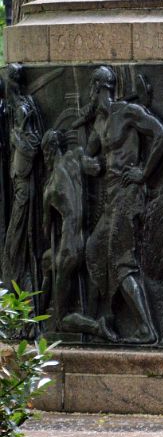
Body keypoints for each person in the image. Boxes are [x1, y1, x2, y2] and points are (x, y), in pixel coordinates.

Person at [77, 65, 163, 344]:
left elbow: (162, 135)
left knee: (120, 259)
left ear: (98, 88)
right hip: (111, 195)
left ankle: (146, 327)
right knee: (94, 248)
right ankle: (104, 316)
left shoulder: (126, 112)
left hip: (130, 194)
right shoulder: (100, 123)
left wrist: (143, 172)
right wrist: (88, 163)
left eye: (91, 89)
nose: (89, 94)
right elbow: (88, 153)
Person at [2, 63, 42, 294]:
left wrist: (16, 139)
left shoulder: (23, 110)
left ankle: (14, 278)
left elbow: (32, 145)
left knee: (18, 232)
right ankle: (11, 278)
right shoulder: (12, 108)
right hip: (17, 178)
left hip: (24, 182)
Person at [40, 129, 85, 324]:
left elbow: (45, 228)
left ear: (49, 151)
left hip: (69, 244)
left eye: (45, 155)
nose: (45, 159)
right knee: (47, 261)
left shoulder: (50, 189)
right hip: (83, 236)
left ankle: (96, 327)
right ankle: (33, 321)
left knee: (61, 318)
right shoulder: (72, 160)